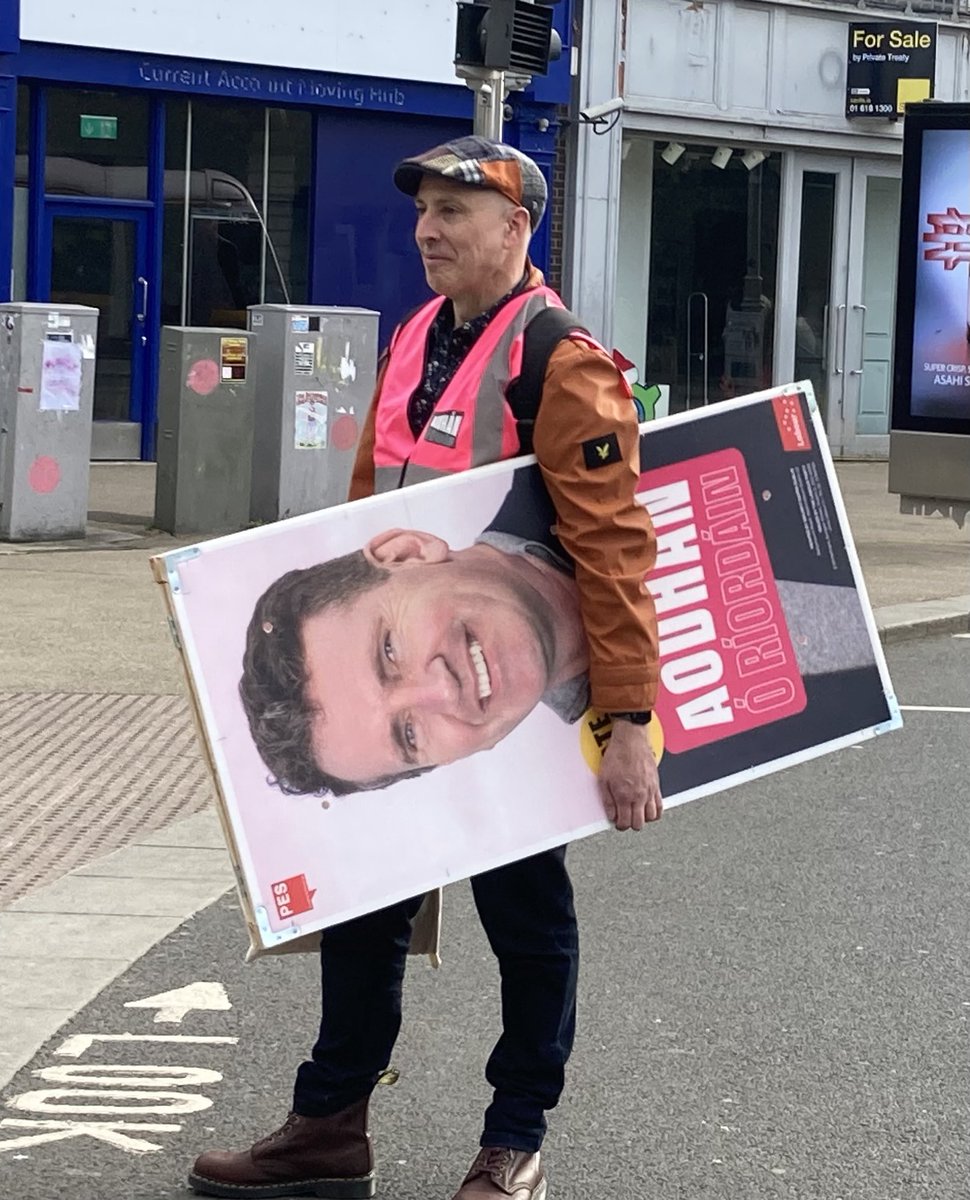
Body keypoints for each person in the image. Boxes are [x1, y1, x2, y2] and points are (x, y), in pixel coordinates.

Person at [189, 135, 662, 1200]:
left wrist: (626, 719)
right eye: (423, 213)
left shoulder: (561, 360)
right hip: (444, 716)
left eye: (456, 210)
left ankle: (515, 1142)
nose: (429, 230)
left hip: (530, 719)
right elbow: (369, 513)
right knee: (362, 905)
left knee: (526, 919)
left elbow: (616, 548)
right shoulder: (412, 338)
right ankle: (328, 1126)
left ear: (516, 228)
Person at [240, 471, 593, 797]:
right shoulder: (627, 765)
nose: (442, 690)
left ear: (408, 552)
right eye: (409, 735)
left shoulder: (573, 442)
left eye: (389, 650)